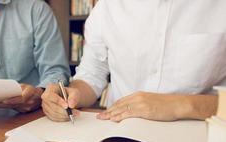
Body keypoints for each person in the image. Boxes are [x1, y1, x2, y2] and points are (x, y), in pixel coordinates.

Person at [42, 0, 226, 122]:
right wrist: (71, 94)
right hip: (121, 138)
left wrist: (182, 105)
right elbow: (92, 74)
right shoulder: (108, 7)